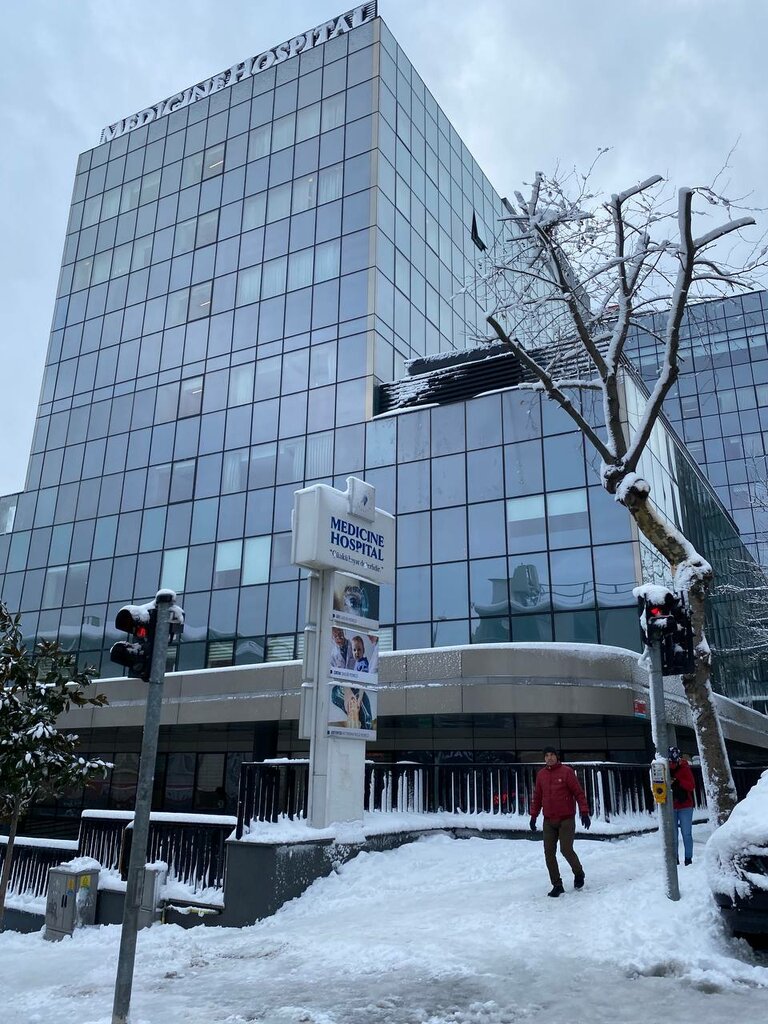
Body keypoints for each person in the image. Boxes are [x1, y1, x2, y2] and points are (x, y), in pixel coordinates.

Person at [529, 746, 591, 897]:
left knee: (566, 849)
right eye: (547, 755)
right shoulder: (541, 775)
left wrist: (584, 812)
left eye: (552, 755)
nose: (549, 758)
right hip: (549, 820)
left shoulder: (566, 772)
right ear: (544, 758)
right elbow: (537, 796)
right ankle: (557, 885)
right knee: (549, 853)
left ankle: (578, 872)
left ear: (557, 757)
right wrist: (533, 816)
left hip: (566, 819)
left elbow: (578, 792)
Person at [668, 746, 696, 865]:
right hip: (671, 805)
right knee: (673, 834)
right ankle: (675, 859)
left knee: (686, 833)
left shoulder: (684, 767)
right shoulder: (664, 768)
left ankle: (688, 858)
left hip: (685, 805)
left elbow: (691, 785)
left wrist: (678, 782)